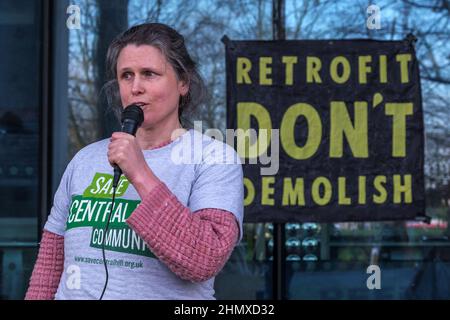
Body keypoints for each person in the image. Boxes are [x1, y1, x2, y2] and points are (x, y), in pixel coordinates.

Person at [25, 23, 243, 300]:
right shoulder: (85, 159)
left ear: (183, 82)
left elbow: (204, 259)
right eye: (126, 75)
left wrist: (140, 172)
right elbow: (50, 264)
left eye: (149, 74)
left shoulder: (213, 159)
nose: (136, 87)